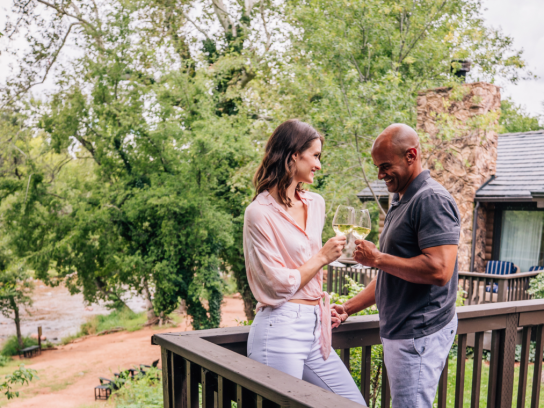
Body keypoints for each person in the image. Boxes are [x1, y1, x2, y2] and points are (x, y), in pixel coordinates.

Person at [331, 124, 460, 408]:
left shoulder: (431, 199)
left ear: (411, 156)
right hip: (403, 333)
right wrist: (348, 308)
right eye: (377, 167)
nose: (379, 175)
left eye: (385, 166)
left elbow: (440, 270)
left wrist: (378, 258)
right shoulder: (401, 198)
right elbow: (393, 270)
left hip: (418, 334)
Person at [243, 119, 366, 405]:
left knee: (353, 403)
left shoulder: (316, 204)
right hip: (279, 328)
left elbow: (302, 266)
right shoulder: (259, 213)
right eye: (315, 156)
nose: (319, 165)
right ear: (293, 155)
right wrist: (322, 257)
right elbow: (275, 285)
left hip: (315, 326)